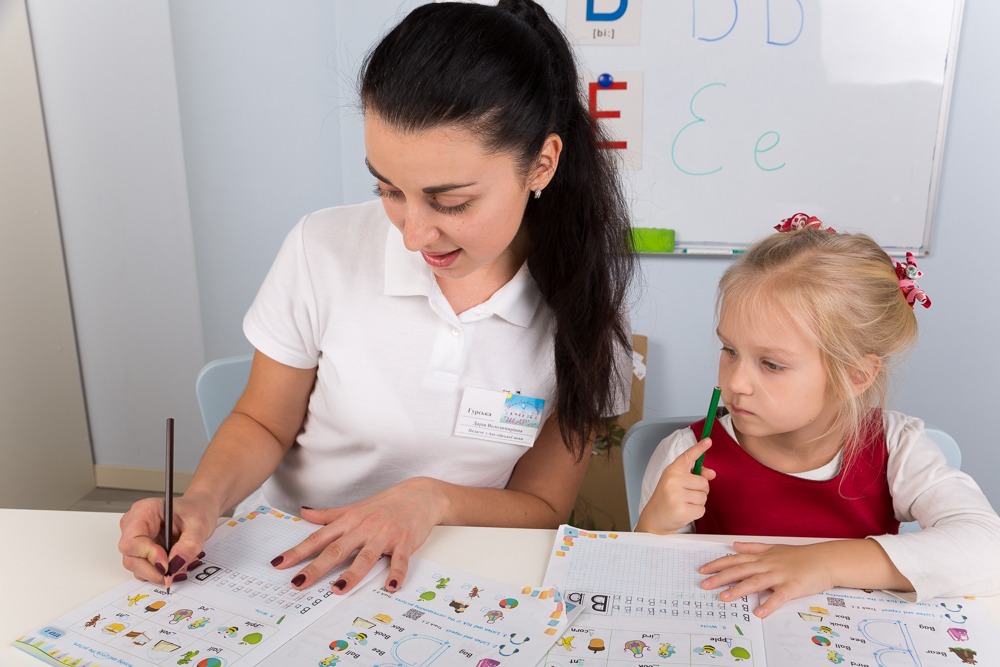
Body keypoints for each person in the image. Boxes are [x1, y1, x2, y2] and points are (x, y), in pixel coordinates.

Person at [118, 0, 633, 595]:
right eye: (388, 189)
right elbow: (262, 420)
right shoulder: (324, 248)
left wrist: (431, 500)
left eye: (452, 202)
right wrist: (200, 501)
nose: (414, 235)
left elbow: (542, 505)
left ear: (541, 165)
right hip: (284, 561)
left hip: (456, 575)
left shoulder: (584, 302)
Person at [636, 213, 1000, 617]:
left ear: (856, 375)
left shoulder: (897, 447)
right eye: (730, 350)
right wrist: (653, 527)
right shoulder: (685, 455)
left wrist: (823, 563)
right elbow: (645, 591)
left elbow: (988, 550)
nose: (735, 382)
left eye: (771, 364)